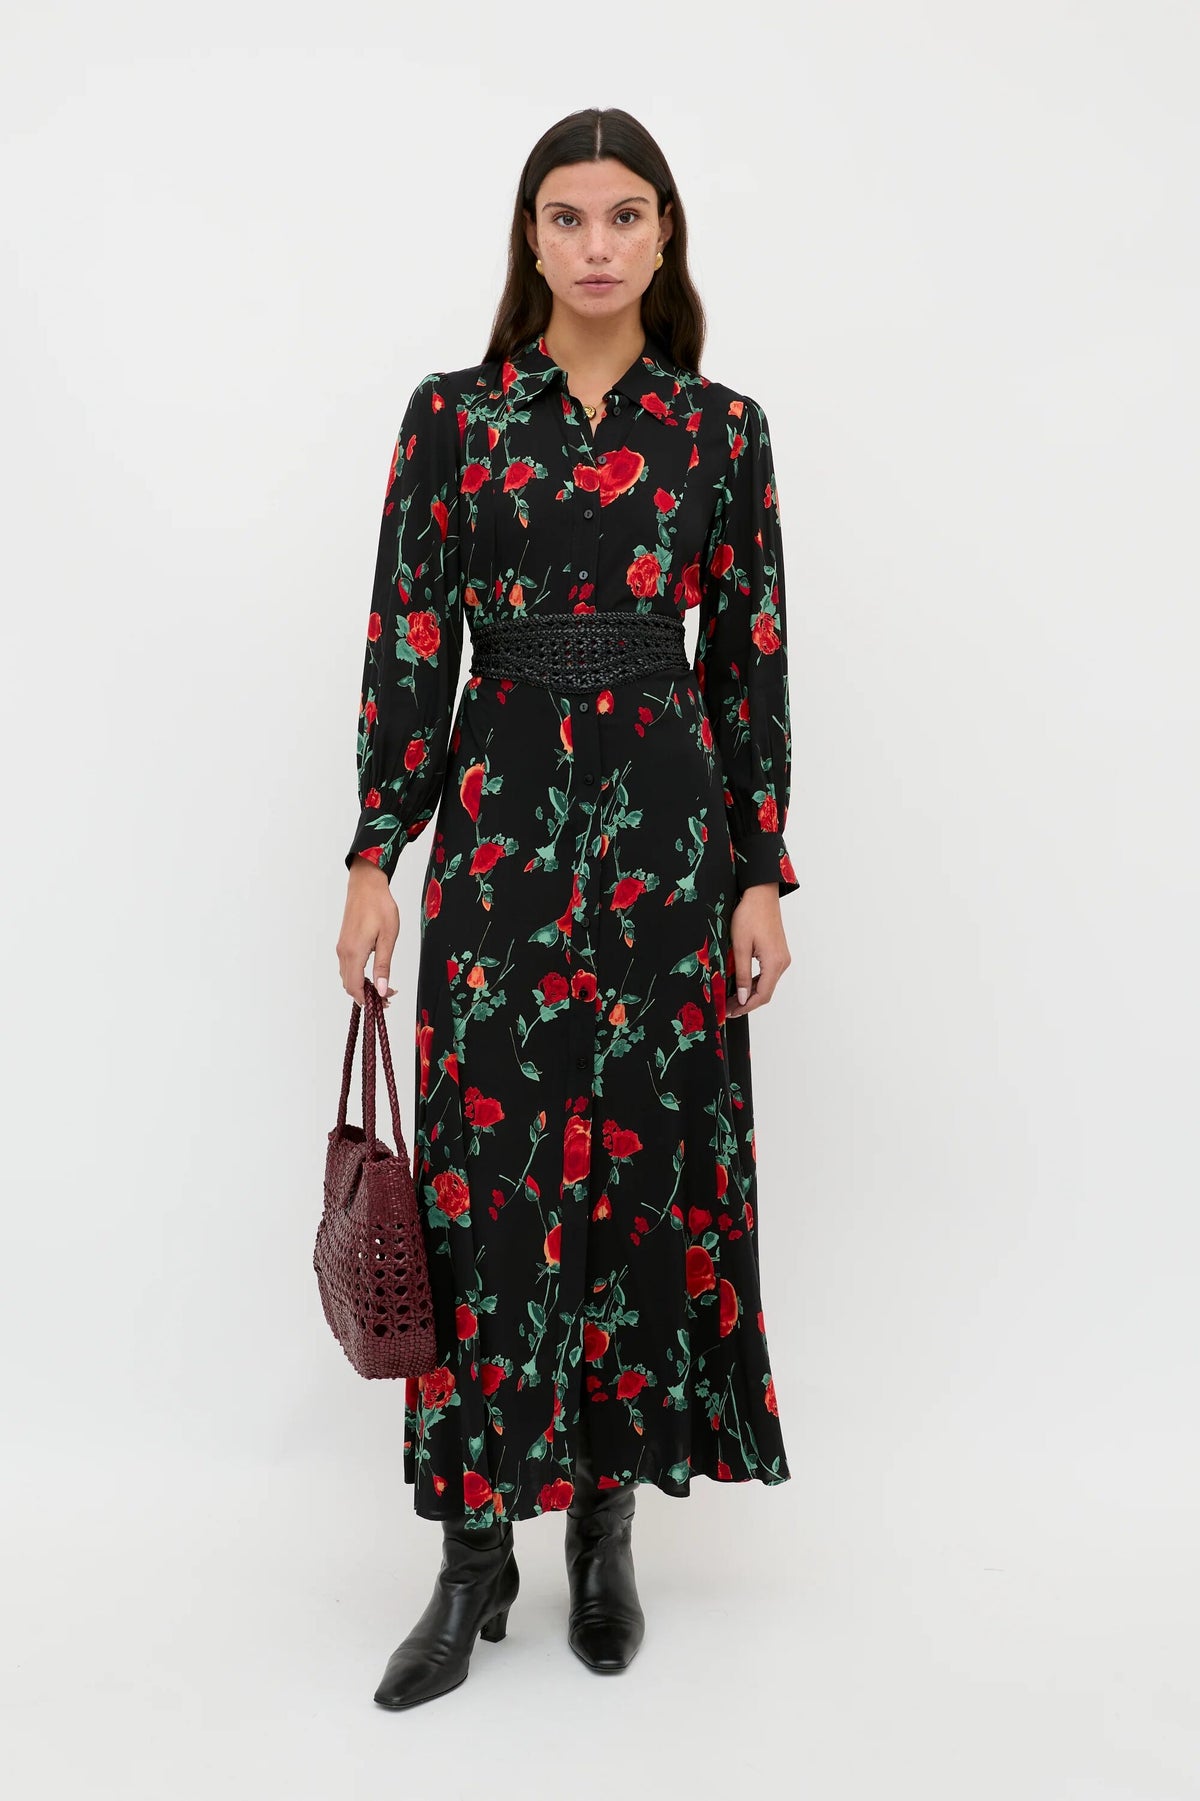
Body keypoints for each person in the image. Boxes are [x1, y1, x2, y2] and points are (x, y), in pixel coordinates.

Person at [335, 106, 799, 1710]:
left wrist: (758, 869)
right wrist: (376, 852)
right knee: (484, 1182)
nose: (595, 242)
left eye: (625, 214)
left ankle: (603, 1528)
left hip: (670, 838)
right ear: (528, 239)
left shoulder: (719, 433)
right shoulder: (456, 419)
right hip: (509, 823)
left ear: (663, 237)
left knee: (641, 1172)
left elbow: (747, 660)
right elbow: (410, 641)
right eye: (564, 215)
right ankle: (474, 1555)